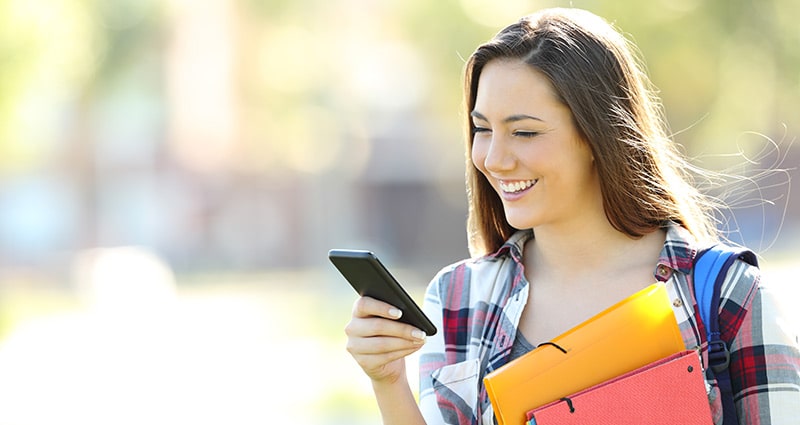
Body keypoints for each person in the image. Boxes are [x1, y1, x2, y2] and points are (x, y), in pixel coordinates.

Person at [344, 7, 800, 425]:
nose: (494, 159)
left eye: (523, 132)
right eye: (483, 129)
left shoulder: (726, 296)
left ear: (597, 136)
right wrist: (388, 380)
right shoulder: (459, 298)